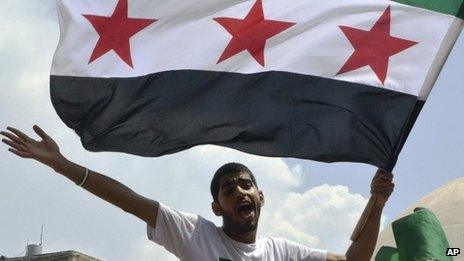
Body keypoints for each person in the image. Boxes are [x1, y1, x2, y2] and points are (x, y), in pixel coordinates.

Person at [1, 125, 394, 261]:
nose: (239, 191)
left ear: (261, 196)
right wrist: (60, 163)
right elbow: (127, 199)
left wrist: (376, 201)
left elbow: (355, 258)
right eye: (228, 189)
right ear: (216, 206)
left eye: (245, 184)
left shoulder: (283, 252)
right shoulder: (194, 234)